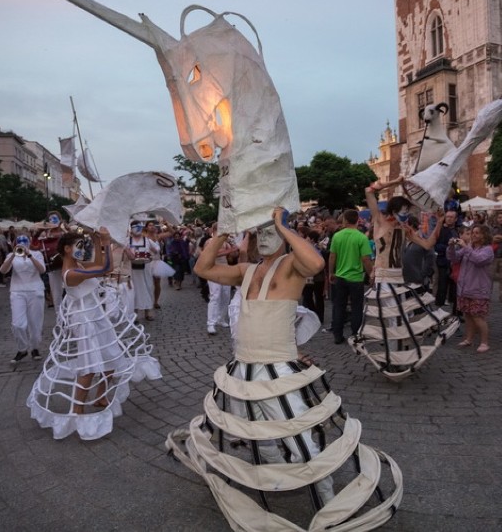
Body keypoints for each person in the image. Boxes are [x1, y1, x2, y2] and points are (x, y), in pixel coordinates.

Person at [167, 207, 402, 528]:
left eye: (270, 233)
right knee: (258, 436)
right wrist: (224, 230)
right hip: (244, 373)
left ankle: (329, 503)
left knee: (302, 439)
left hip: (281, 374)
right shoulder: (244, 270)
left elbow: (317, 263)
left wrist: (282, 225)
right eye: (258, 233)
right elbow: (203, 268)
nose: (263, 239)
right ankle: (278, 479)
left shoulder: (291, 265)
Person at [26, 228, 161, 439]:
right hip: (84, 321)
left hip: (96, 316)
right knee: (88, 367)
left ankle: (101, 397)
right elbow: (105, 268)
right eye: (79, 246)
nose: (82, 249)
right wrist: (107, 242)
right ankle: (76, 411)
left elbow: (99, 263)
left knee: (110, 357)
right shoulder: (70, 273)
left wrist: (97, 240)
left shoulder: (79, 265)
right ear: (67, 249)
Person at [328, 209, 373, 345]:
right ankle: (355, 333)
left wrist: (331, 272)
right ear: (357, 220)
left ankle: (337, 334)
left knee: (339, 306)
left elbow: (332, 256)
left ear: (345, 220)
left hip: (340, 277)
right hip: (356, 278)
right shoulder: (361, 237)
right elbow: (366, 259)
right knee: (356, 307)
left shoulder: (337, 236)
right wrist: (371, 274)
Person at [447, 224, 494, 353]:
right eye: (473, 232)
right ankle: (469, 338)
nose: (473, 235)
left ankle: (485, 342)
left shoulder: (487, 250)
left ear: (484, 235)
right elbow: (453, 258)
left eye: (477, 233)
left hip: (478, 289)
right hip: (465, 288)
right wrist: (451, 246)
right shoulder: (469, 248)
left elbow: (478, 260)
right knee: (468, 315)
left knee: (478, 317)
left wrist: (465, 247)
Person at [0, 235, 45, 364]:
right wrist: (13, 255)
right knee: (18, 323)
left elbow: (42, 270)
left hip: (35, 290)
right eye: (20, 243)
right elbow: (3, 270)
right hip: (17, 291)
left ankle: (35, 348)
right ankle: (22, 349)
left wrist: (29, 255)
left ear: (29, 243)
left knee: (35, 323)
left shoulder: (36, 254)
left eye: (25, 242)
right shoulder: (11, 255)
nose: (23, 245)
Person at [203, 223, 236, 334]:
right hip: (213, 270)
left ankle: (221, 318)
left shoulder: (226, 243)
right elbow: (212, 254)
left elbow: (232, 257)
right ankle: (210, 323)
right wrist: (230, 250)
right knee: (215, 296)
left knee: (226, 295)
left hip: (225, 269)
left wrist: (234, 247)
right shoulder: (210, 242)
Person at [128, 220, 160, 321]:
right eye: (135, 227)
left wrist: (152, 252)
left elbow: (157, 248)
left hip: (145, 268)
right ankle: (135, 314)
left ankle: (148, 312)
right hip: (132, 269)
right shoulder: (127, 240)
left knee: (147, 288)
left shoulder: (147, 240)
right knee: (134, 290)